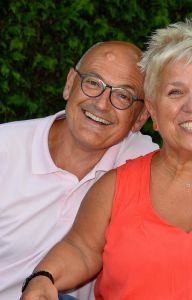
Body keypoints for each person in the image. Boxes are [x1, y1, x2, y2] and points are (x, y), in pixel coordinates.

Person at [20, 20, 192, 300]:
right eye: (175, 92)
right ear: (152, 109)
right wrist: (43, 277)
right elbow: (81, 248)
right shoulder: (113, 189)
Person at [0, 41, 159, 300]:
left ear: (140, 118)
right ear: (70, 83)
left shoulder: (142, 162)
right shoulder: (5, 150)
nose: (102, 104)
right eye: (93, 83)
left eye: (122, 95)